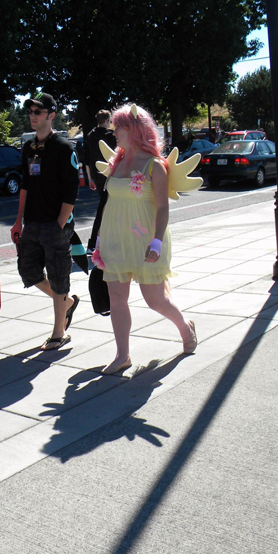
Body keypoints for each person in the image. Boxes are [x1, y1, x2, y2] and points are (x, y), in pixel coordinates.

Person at [93, 103, 196, 374]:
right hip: (115, 239)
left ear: (135, 129)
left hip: (145, 241)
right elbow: (109, 204)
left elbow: (162, 207)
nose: (114, 132)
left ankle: (185, 328)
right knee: (117, 298)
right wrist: (100, 238)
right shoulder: (116, 162)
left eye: (119, 127)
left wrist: (157, 241)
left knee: (155, 300)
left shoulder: (155, 166)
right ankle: (122, 355)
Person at [10, 93, 80, 350]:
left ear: (51, 115)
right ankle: (67, 303)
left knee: (58, 275)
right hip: (32, 222)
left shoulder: (63, 147)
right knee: (28, 270)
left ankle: (58, 333)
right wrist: (18, 221)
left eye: (37, 112)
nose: (32, 116)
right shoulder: (29, 148)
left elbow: (71, 190)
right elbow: (25, 185)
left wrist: (60, 224)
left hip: (55, 224)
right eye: (30, 111)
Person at [84, 109, 117, 252]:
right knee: (103, 210)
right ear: (107, 121)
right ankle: (93, 243)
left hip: (96, 176)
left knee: (106, 208)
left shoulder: (90, 135)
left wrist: (90, 178)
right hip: (110, 176)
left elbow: (86, 159)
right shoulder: (111, 136)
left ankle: (103, 241)